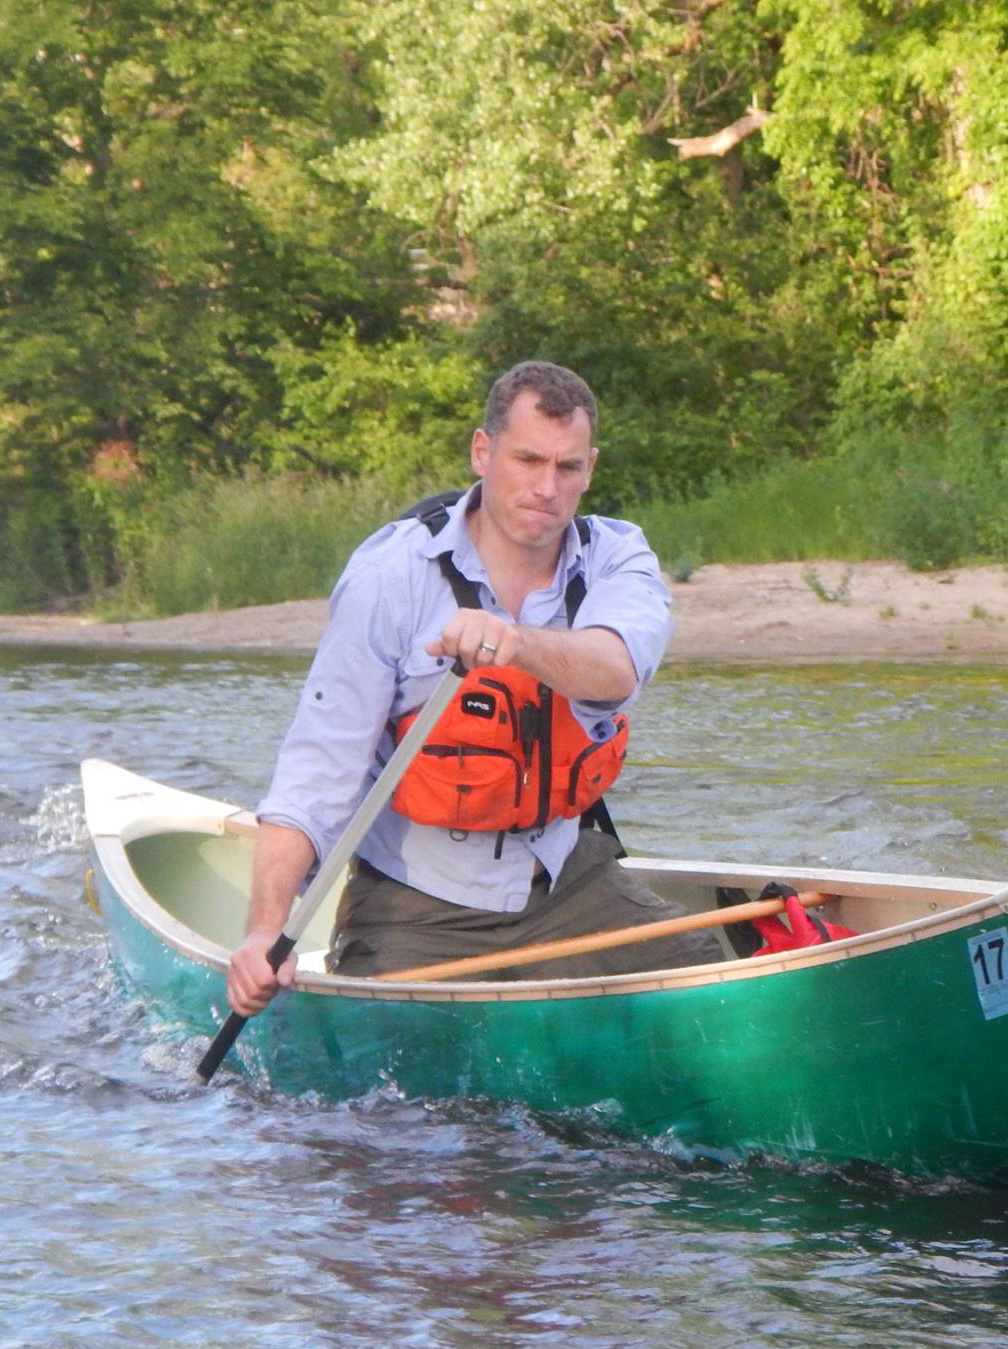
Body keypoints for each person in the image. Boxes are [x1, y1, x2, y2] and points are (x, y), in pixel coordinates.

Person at [226, 361, 721, 1016]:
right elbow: (317, 775)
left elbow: (617, 667)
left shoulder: (618, 557)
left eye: (568, 468)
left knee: (716, 987)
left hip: (568, 885)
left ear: (590, 470)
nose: (547, 488)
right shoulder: (391, 576)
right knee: (394, 1087)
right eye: (528, 460)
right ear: (482, 452)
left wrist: (516, 642)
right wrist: (264, 931)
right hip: (416, 904)